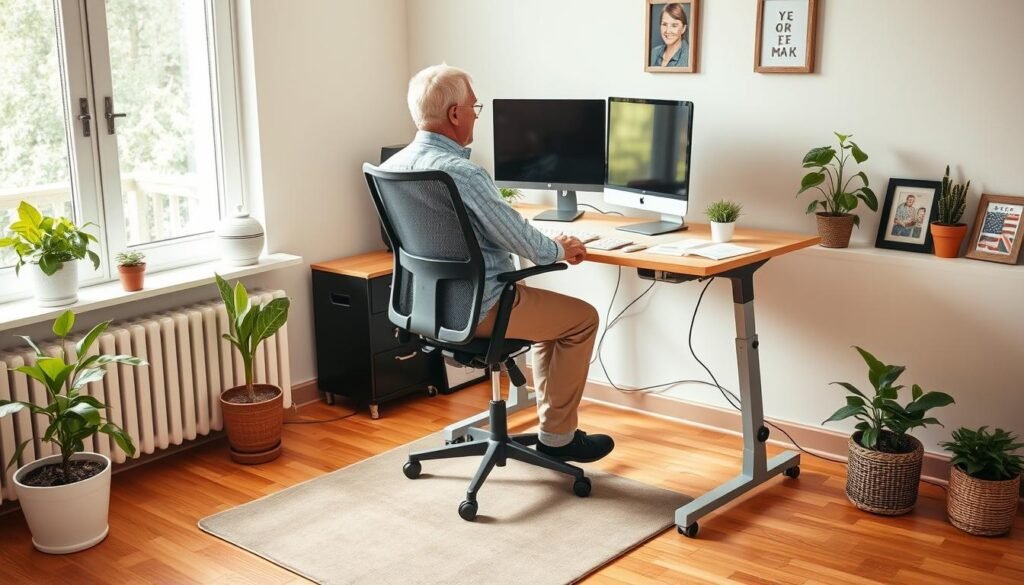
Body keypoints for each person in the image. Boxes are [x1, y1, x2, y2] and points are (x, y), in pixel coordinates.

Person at [380, 65, 614, 463]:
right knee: (581, 320)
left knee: (551, 323)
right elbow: (531, 246)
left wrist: (544, 244)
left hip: (425, 306)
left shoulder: (391, 168)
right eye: (475, 107)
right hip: (481, 307)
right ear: (455, 114)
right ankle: (559, 438)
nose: (475, 115)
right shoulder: (463, 173)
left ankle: (553, 429)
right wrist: (561, 247)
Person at [649, 3, 689, 67]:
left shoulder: (689, 56)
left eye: (674, 25)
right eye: (664, 24)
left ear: (683, 29)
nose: (668, 30)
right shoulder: (653, 53)